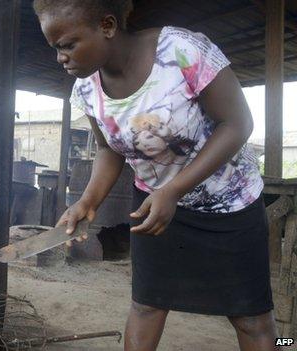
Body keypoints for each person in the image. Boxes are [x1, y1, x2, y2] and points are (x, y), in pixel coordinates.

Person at [32, 1, 279, 350]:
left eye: (68, 45)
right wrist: (87, 202)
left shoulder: (182, 51)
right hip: (154, 208)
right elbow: (108, 150)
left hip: (229, 204)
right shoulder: (87, 90)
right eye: (55, 48)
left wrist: (174, 190)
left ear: (107, 25)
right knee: (147, 306)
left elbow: (238, 124)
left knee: (251, 319)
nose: (61, 57)